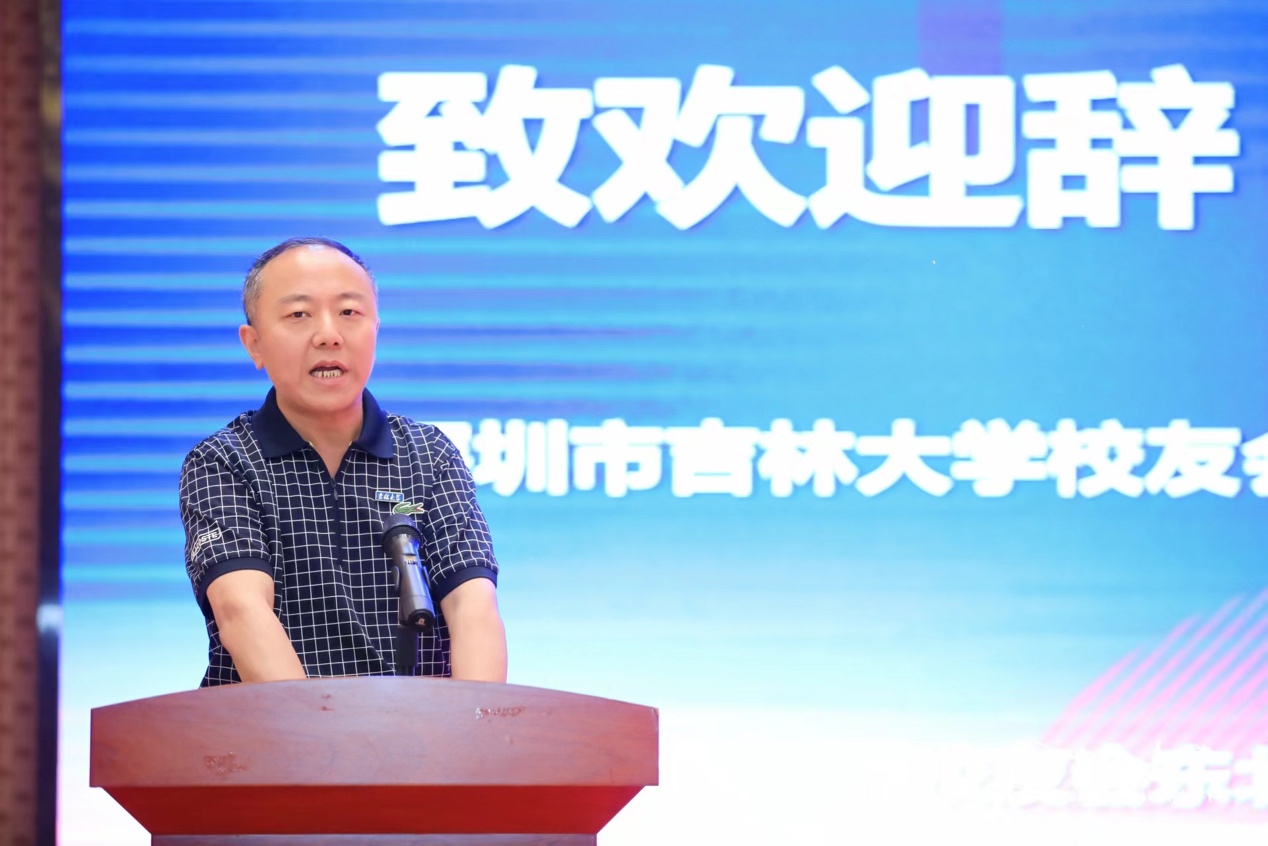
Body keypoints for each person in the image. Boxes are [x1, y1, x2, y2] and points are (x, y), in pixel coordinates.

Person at [178, 236, 507, 686]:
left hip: (423, 726)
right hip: (274, 726)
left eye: (349, 312)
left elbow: (474, 608)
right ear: (254, 345)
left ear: (376, 330)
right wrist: (320, 728)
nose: (328, 334)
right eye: (299, 315)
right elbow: (241, 611)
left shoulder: (429, 454)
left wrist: (474, 723)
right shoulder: (224, 461)